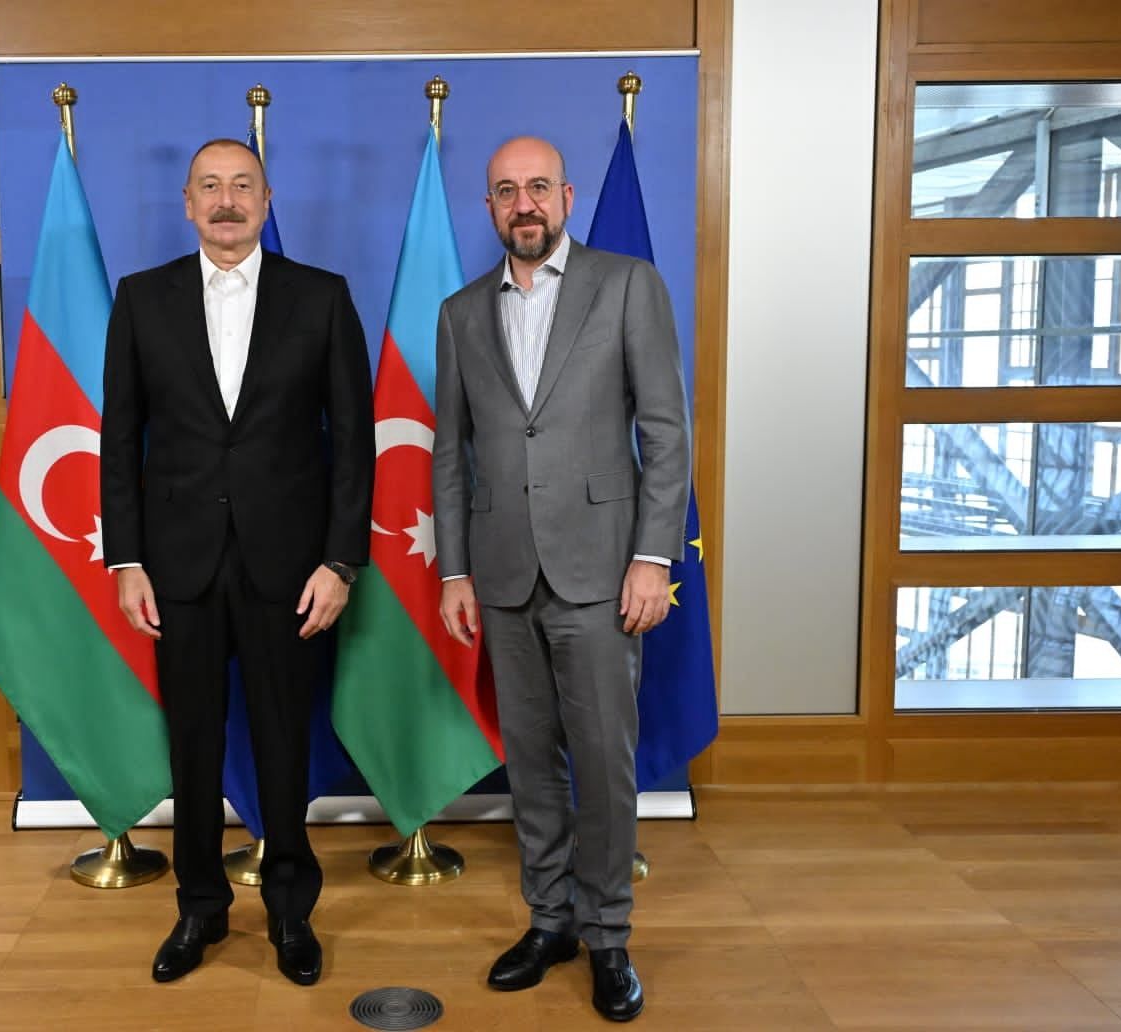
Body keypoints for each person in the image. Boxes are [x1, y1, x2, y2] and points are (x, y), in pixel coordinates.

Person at [100, 138, 374, 987]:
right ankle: (199, 908)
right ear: (188, 203)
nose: (226, 201)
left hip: (290, 568)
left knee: (284, 742)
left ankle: (291, 912)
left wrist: (341, 562)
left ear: (266, 198)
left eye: (242, 187)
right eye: (210, 187)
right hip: (177, 567)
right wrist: (127, 560)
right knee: (192, 745)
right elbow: (118, 441)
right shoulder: (141, 300)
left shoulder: (321, 299)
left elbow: (355, 447)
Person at [432, 136, 691, 1022]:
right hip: (502, 575)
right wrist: (456, 570)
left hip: (602, 571)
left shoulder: (626, 287)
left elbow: (665, 434)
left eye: (538, 186)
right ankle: (550, 920)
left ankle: (609, 936)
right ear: (490, 208)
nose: (523, 203)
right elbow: (451, 456)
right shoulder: (462, 311)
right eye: (506, 191)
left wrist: (653, 558)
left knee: (604, 766)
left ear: (568, 196)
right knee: (531, 764)